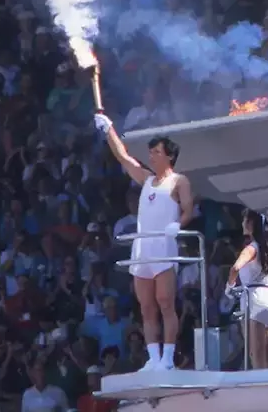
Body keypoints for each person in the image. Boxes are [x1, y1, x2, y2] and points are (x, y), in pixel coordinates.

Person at [94, 109, 195, 372]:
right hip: (143, 249)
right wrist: (109, 130)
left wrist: (178, 224)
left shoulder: (179, 181)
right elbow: (123, 157)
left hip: (164, 248)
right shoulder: (146, 180)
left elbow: (188, 209)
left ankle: (168, 359)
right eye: (150, 153)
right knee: (147, 307)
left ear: (169, 156)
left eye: (156, 152)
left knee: (165, 303)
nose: (151, 156)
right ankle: (153, 358)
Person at [226, 209, 268, 369]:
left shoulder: (252, 248)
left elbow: (235, 268)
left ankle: (260, 391)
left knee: (256, 355)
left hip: (253, 297)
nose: (243, 223)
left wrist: (229, 286)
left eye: (245, 220)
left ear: (251, 224)